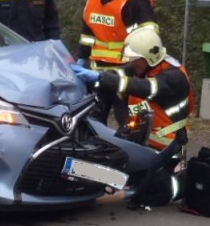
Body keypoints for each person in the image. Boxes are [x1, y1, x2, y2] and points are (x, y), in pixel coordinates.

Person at [74, 26, 192, 208]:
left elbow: (145, 87)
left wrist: (100, 77)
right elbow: (121, 73)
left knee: (145, 193)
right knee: (97, 163)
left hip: (166, 150)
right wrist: (97, 77)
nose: (133, 63)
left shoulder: (174, 78)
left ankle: (184, 185)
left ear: (149, 57)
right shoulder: (143, 67)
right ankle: (82, 183)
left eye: (136, 60)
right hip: (140, 144)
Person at [78, 0, 157, 125]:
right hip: (97, 72)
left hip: (126, 75)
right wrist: (82, 57)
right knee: (93, 123)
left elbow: (149, 36)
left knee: (128, 124)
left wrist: (140, 70)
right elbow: (88, 30)